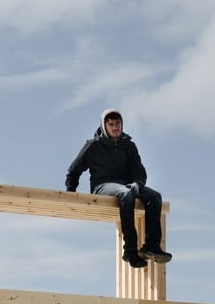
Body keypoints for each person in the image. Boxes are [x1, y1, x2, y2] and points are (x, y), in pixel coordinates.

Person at [65, 109, 171, 268]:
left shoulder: (128, 146)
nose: (115, 128)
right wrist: (70, 195)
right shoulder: (93, 146)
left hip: (126, 185)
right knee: (126, 194)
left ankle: (151, 246)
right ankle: (130, 250)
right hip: (102, 186)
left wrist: (138, 183)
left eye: (118, 124)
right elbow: (73, 171)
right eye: (111, 124)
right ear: (104, 126)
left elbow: (140, 173)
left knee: (154, 197)